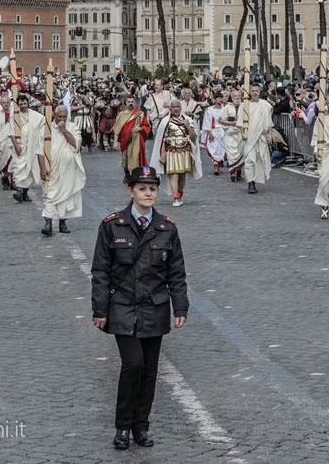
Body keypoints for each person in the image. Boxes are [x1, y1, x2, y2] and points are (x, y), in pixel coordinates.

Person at [91, 166, 189, 451]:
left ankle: (141, 427)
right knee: (132, 364)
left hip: (154, 307)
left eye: (152, 188)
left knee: (148, 370)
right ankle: (122, 427)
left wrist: (180, 307)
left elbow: (176, 272)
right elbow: (100, 271)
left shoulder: (167, 228)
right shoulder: (112, 225)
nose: (148, 193)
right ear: (131, 191)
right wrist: (100, 310)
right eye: (142, 188)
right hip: (122, 306)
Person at [39, 105, 86, 236]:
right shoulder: (45, 130)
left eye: (64, 117)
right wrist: (42, 168)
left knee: (66, 196)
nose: (61, 119)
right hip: (51, 168)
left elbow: (76, 144)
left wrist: (64, 130)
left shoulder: (73, 127)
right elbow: (39, 151)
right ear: (54, 115)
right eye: (59, 116)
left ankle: (62, 222)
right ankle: (48, 223)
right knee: (49, 194)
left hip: (68, 170)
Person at [151, 100, 200, 207]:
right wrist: (162, 154)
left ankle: (180, 194)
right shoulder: (165, 122)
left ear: (180, 108)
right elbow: (162, 139)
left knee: (182, 175)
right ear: (170, 108)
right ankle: (175, 197)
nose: (176, 108)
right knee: (174, 175)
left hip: (184, 150)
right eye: (173, 107)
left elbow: (194, 137)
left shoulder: (188, 120)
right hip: (171, 151)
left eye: (177, 106)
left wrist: (187, 126)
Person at [235, 85, 274, 195]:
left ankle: (256, 179)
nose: (255, 93)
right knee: (250, 160)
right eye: (253, 91)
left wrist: (269, 134)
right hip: (249, 137)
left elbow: (269, 122)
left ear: (260, 92)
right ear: (250, 92)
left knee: (260, 159)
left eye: (257, 91)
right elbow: (240, 121)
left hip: (261, 136)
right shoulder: (244, 105)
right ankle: (250, 183)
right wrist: (243, 132)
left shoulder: (265, 105)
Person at [115, 97, 152, 178]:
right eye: (129, 102)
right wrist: (115, 142)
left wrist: (140, 128)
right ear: (125, 103)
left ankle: (135, 175)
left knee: (135, 157)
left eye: (132, 101)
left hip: (136, 139)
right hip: (124, 140)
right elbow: (117, 129)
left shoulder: (140, 114)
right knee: (126, 158)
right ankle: (127, 175)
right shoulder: (120, 115)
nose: (130, 103)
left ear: (135, 103)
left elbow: (147, 126)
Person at [200, 94, 228, 175]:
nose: (220, 100)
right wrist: (209, 133)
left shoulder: (225, 109)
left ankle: (219, 163)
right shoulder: (209, 110)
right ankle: (216, 166)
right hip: (213, 131)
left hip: (223, 131)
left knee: (222, 148)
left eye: (221, 98)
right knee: (214, 148)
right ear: (215, 100)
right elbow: (207, 121)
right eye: (219, 98)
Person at [221, 89, 244, 181]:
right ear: (232, 97)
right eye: (235, 96)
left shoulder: (244, 106)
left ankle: (239, 173)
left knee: (241, 152)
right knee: (231, 154)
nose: (237, 98)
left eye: (238, 96)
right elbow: (220, 120)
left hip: (240, 133)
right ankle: (232, 173)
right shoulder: (227, 107)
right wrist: (232, 123)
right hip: (230, 133)